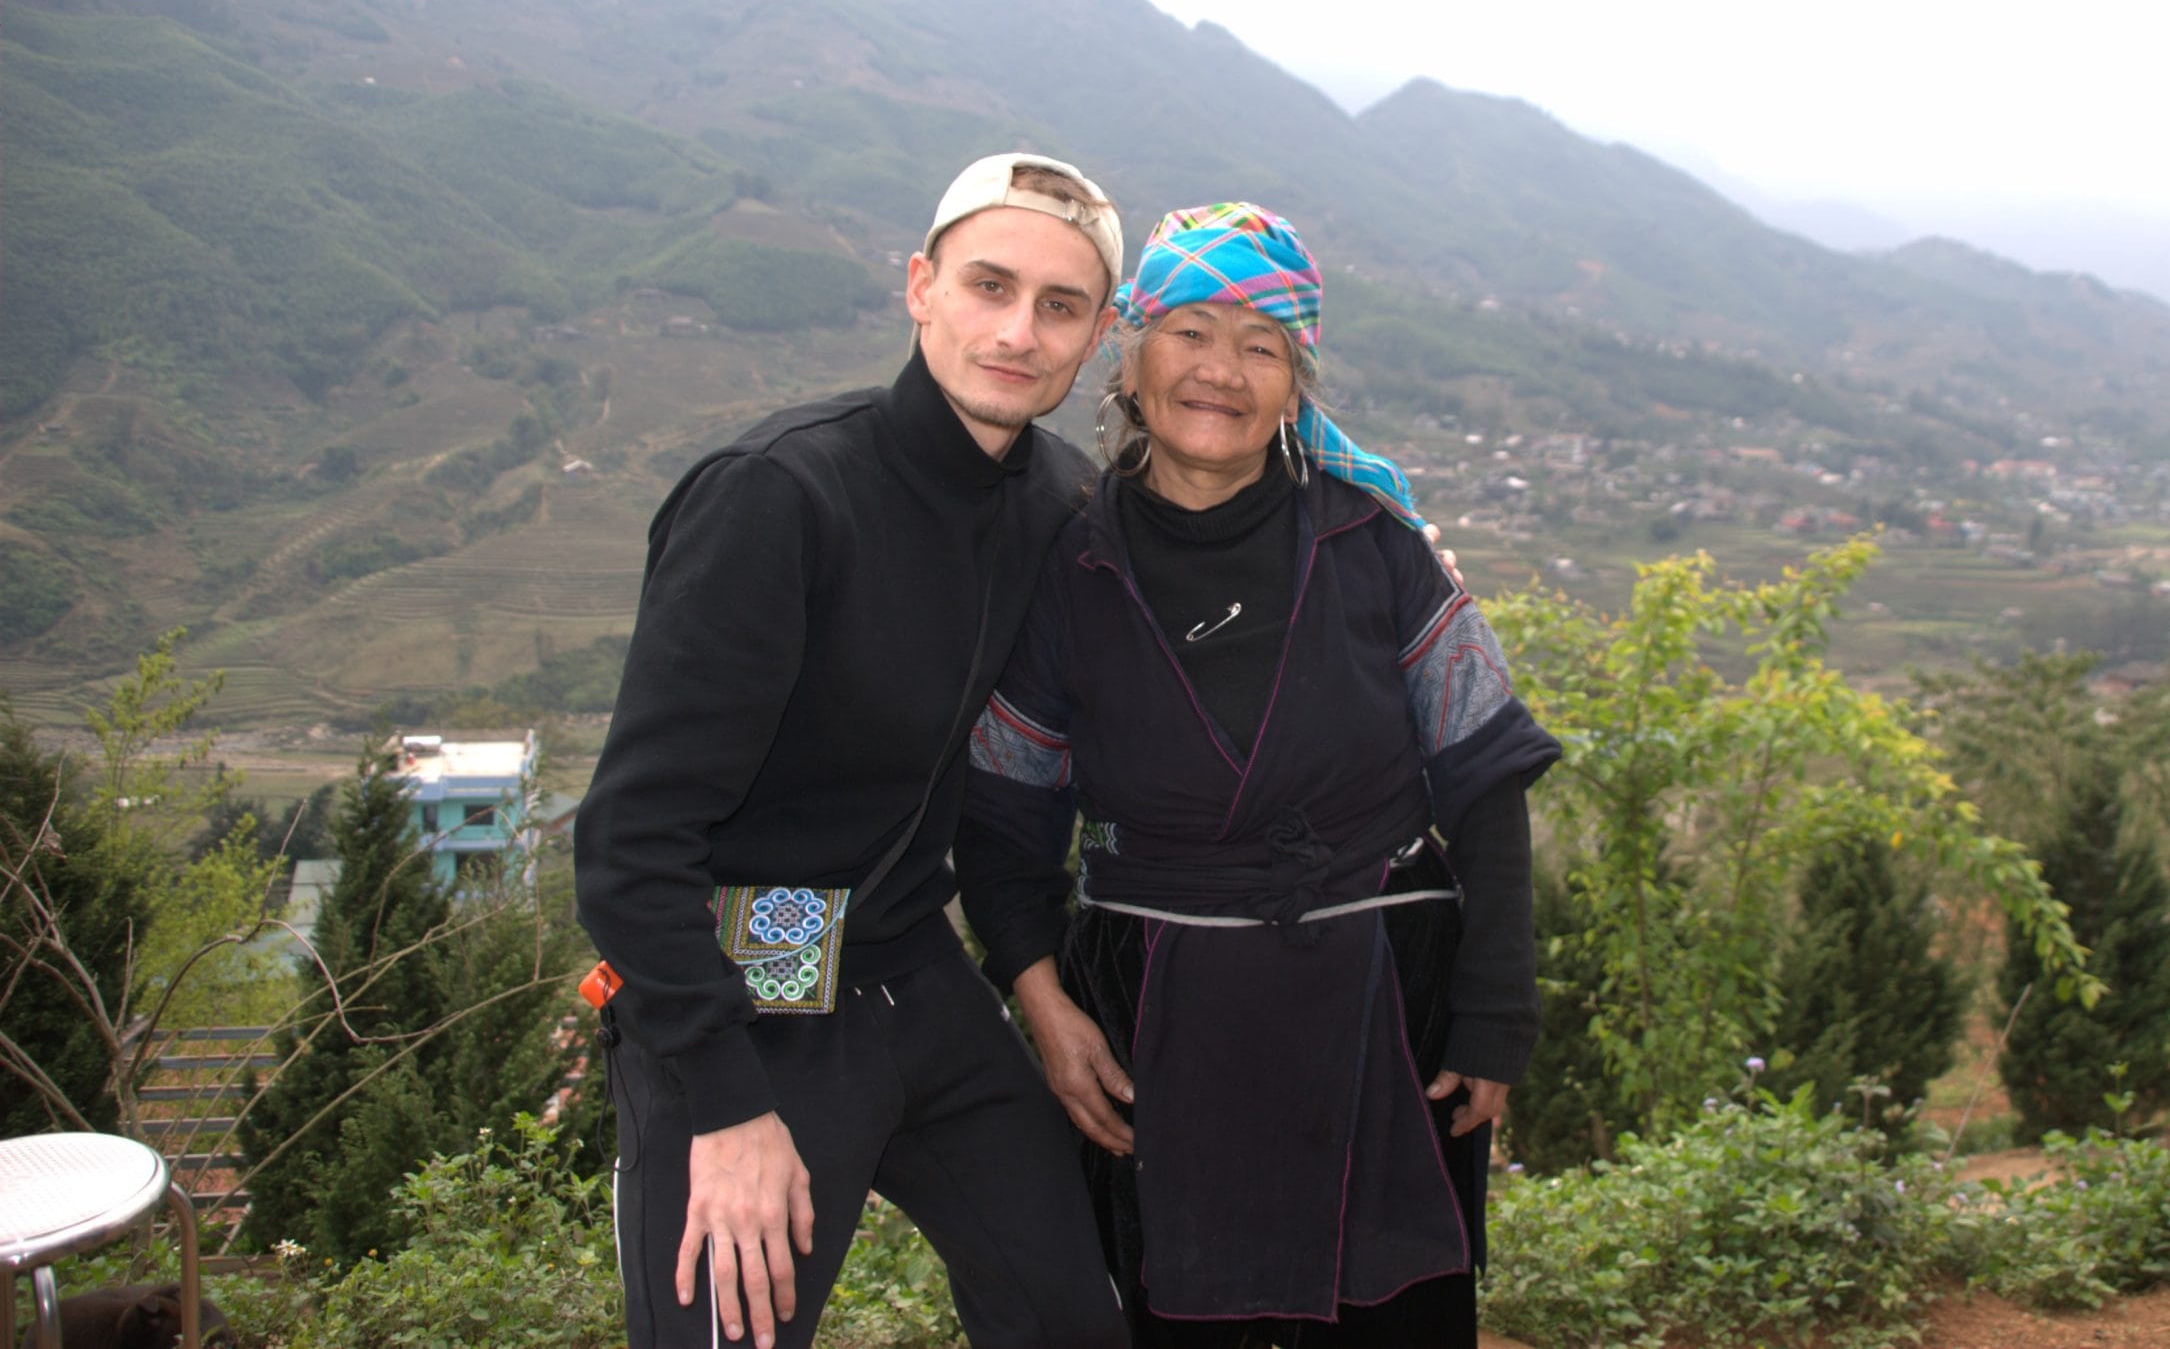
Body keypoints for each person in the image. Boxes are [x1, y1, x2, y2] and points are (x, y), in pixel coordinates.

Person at [956, 203, 1560, 1348]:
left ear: (1297, 383)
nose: (1220, 372)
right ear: (1129, 356)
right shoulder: (1069, 567)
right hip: (1151, 1018)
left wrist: (1493, 1016)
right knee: (1177, 1314)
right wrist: (1043, 1004)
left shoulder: (1377, 546)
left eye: (1263, 345)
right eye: (1190, 331)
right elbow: (1003, 814)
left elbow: (1484, 782)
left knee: (1394, 1311)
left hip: (1386, 997)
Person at [573, 154, 1132, 1349]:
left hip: (907, 960)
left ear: (1095, 338)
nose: (1017, 331)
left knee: (1071, 1314)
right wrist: (724, 1107)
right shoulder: (780, 496)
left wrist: (1380, 556)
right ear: (920, 285)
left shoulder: (1056, 504)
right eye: (989, 284)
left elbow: (1020, 771)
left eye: (1060, 305)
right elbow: (629, 839)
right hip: (742, 958)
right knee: (735, 1324)